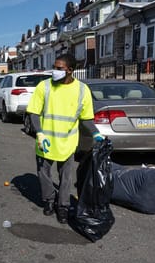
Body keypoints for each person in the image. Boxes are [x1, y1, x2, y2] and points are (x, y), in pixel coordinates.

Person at [26, 53, 104, 224]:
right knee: (44, 174)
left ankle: (63, 206)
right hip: (45, 141)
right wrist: (39, 133)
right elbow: (33, 112)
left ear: (70, 70)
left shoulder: (82, 90)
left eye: (59, 68)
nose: (54, 71)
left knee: (66, 177)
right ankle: (48, 201)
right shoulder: (44, 87)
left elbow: (86, 119)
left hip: (67, 142)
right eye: (54, 67)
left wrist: (96, 133)